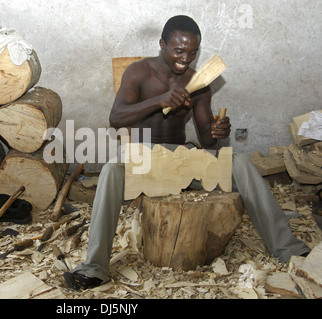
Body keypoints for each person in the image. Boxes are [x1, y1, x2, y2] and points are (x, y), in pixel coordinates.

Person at [63, 15, 311, 290]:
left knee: (239, 162)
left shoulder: (198, 82)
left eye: (193, 52)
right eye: (179, 51)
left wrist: (217, 132)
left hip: (181, 157)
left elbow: (206, 140)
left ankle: (287, 248)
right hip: (143, 155)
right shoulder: (139, 71)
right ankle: (95, 268)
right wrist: (158, 101)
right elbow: (116, 117)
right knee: (110, 170)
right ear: (162, 44)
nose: (186, 58)